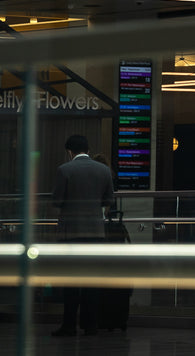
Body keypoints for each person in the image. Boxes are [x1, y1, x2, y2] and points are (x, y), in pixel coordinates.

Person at [50, 134, 115, 337]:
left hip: (71, 233)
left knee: (70, 281)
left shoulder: (64, 170)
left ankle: (69, 325)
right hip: (95, 232)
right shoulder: (103, 170)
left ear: (70, 152)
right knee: (91, 280)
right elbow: (108, 200)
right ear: (88, 149)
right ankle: (91, 325)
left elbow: (57, 202)